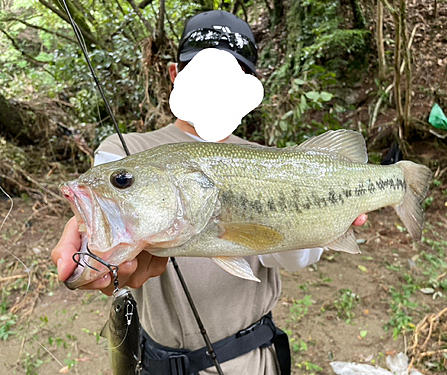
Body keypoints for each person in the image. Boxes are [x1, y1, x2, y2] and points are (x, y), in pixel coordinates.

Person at [52, 10, 367, 375]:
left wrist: (328, 218)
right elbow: (106, 210)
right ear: (175, 75)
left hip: (253, 361)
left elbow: (293, 259)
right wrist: (93, 248)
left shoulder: (271, 159)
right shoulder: (126, 151)